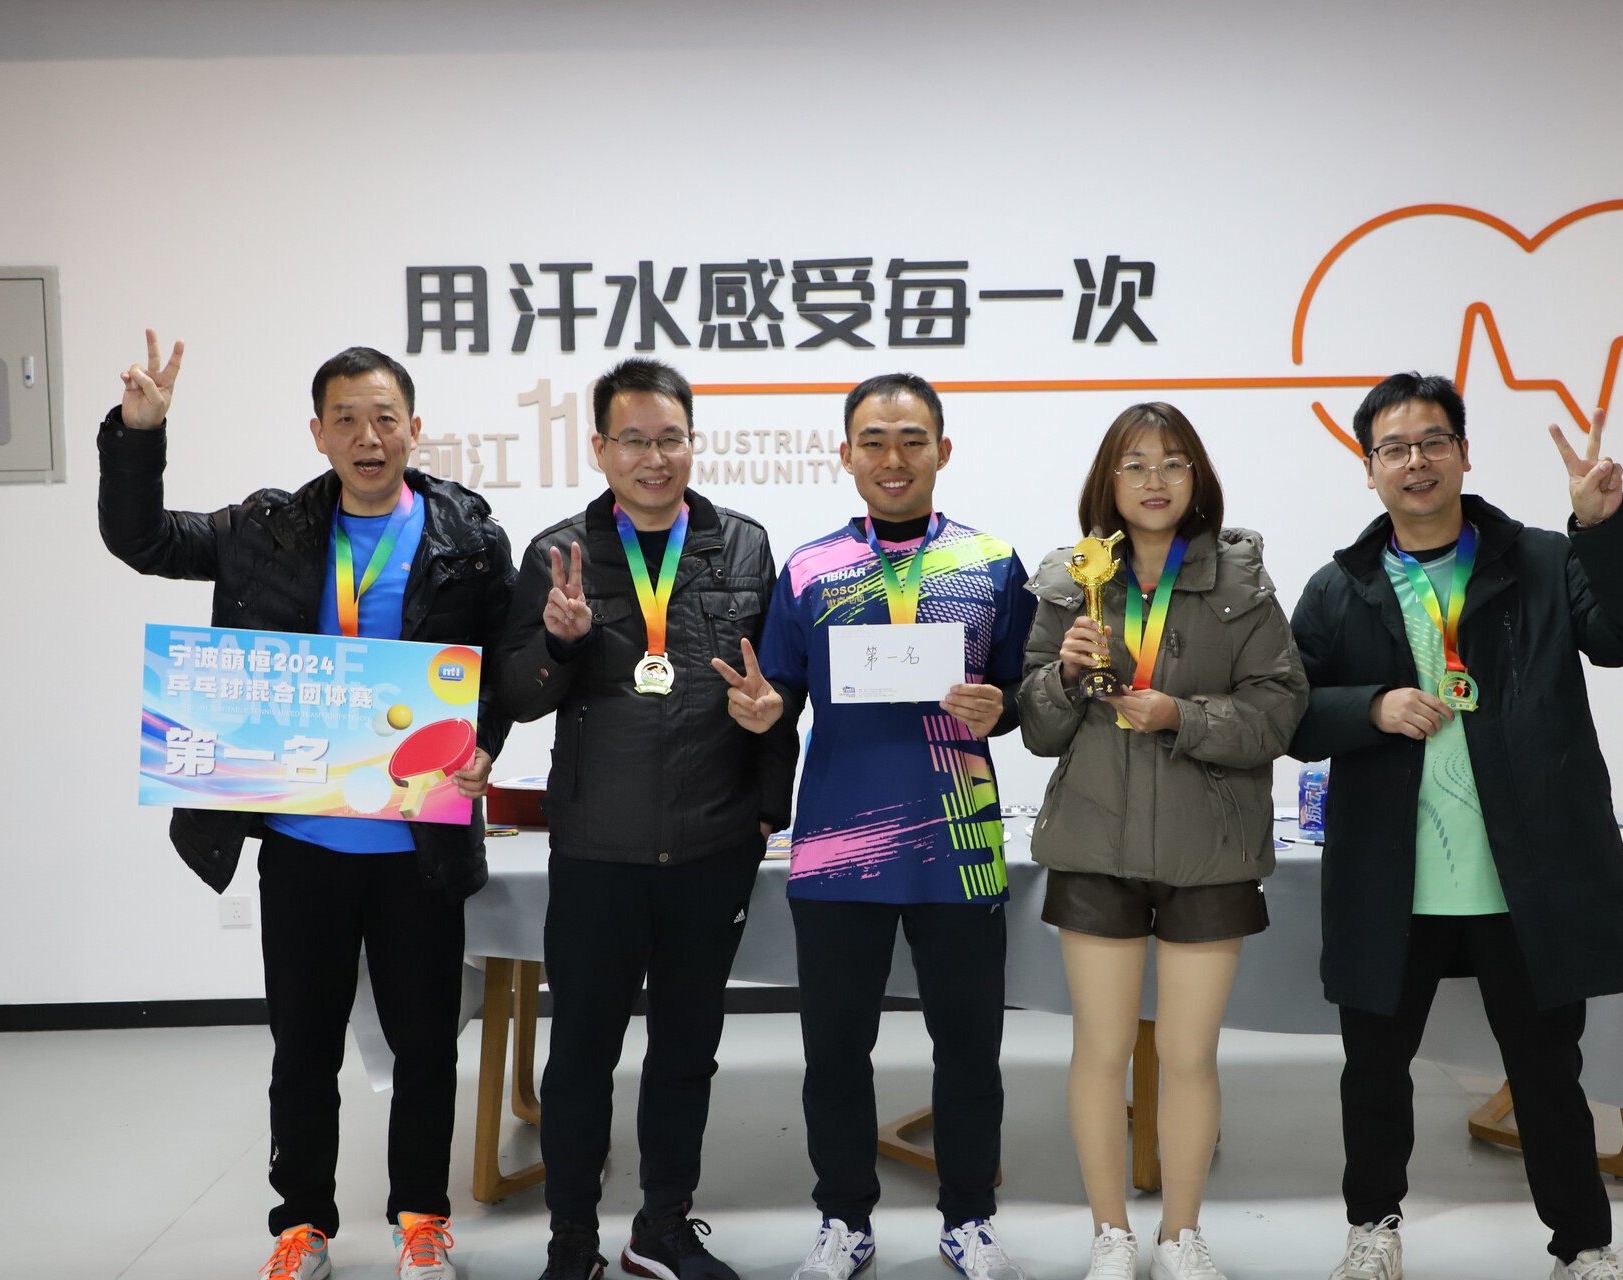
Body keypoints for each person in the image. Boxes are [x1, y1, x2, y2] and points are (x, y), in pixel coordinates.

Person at [98, 332, 516, 1280]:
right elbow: (142, 540)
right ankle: (302, 1225)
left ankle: (422, 1217)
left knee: (426, 1046)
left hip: (417, 845)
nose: (368, 437)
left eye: (384, 418)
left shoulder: (470, 541)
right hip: (301, 842)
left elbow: (503, 664)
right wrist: (138, 435)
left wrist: (485, 740)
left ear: (415, 427)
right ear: (318, 434)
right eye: (346, 420)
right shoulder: (268, 529)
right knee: (303, 1049)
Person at [1288, 374, 1623, 1280]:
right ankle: (1373, 1231)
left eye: (1434, 441)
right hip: (1392, 879)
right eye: (1395, 448)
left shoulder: (1542, 560)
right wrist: (1372, 707)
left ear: (1465, 455)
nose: (1416, 461)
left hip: (1525, 875)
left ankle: (1582, 1245)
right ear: (1368, 469)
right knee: (1374, 1074)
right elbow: (1291, 714)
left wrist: (1604, 528)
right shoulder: (1340, 587)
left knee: (1547, 1074)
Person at [715, 373, 1036, 1280]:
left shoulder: (993, 561)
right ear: (846, 454)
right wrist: (764, 710)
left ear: (943, 449)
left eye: (911, 439)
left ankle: (969, 1219)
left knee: (969, 1047)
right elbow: (780, 693)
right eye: (874, 441)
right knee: (834, 1051)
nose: (893, 458)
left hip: (959, 838)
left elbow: (1021, 691)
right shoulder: (809, 568)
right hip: (838, 841)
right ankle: (842, 1220)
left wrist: (1002, 707)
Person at [497, 358, 798, 1280]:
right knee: (580, 1056)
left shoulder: (743, 546)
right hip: (599, 848)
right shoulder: (558, 554)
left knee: (686, 1054)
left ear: (692, 442)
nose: (654, 457)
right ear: (600, 447)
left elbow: (777, 688)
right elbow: (516, 694)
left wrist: (767, 804)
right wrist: (559, 644)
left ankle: (661, 1227)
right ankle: (572, 1244)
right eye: (633, 440)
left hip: (712, 845)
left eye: (670, 439)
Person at [1018, 403, 1307, 1280]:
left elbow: (1280, 710)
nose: (1155, 481)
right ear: (1108, 481)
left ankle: (1182, 1235)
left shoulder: (1241, 583)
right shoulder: (1070, 581)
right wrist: (1066, 675)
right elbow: (1037, 728)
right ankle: (1110, 1234)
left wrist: (1181, 714)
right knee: (1101, 1051)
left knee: (1187, 1055)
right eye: (1136, 464)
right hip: (1093, 844)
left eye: (1173, 464)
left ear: (1197, 479)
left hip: (1209, 849)